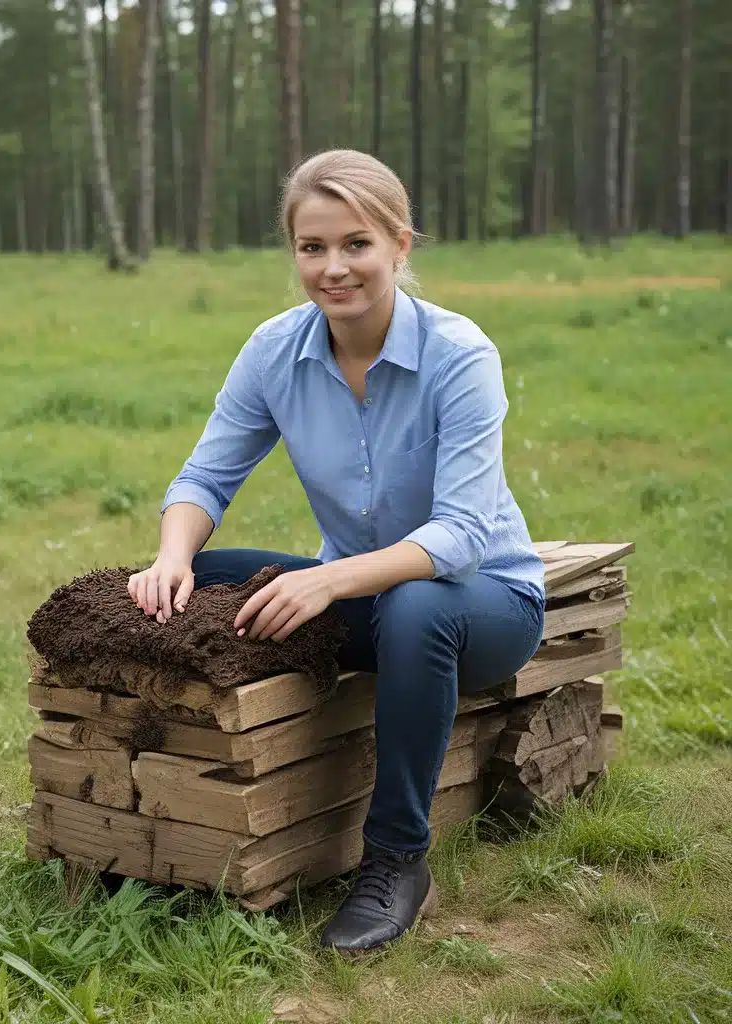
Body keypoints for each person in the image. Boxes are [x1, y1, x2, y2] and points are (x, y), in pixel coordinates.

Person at [126, 149, 546, 953]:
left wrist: (324, 583)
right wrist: (172, 556)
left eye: (356, 244)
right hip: (361, 596)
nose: (333, 268)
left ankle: (395, 862)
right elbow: (206, 476)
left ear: (400, 244)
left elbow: (459, 536)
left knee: (419, 606)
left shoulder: (460, 356)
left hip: (482, 604)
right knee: (198, 581)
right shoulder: (275, 350)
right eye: (312, 247)